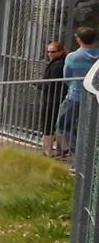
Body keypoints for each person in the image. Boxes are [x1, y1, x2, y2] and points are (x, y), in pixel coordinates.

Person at [59, 26, 99, 156]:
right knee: (90, 129)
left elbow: (67, 77)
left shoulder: (73, 57)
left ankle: (80, 154)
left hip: (75, 96)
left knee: (63, 125)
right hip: (95, 98)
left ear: (79, 39)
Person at [41, 40, 68, 157]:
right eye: (48, 51)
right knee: (56, 124)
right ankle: (62, 149)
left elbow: (51, 83)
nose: (50, 54)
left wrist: (38, 85)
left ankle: (48, 151)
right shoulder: (59, 62)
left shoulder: (58, 64)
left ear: (60, 51)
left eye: (53, 52)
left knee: (48, 123)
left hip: (53, 98)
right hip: (56, 97)